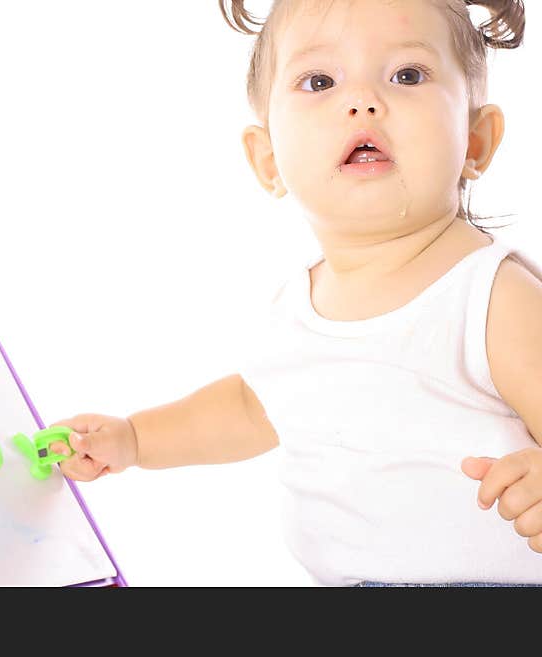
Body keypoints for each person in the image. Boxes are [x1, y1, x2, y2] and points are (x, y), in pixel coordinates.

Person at [47, 0, 542, 586]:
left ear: (476, 141)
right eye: (320, 81)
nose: (363, 102)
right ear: (268, 159)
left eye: (407, 75)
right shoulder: (298, 306)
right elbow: (250, 408)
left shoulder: (489, 296)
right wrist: (134, 438)